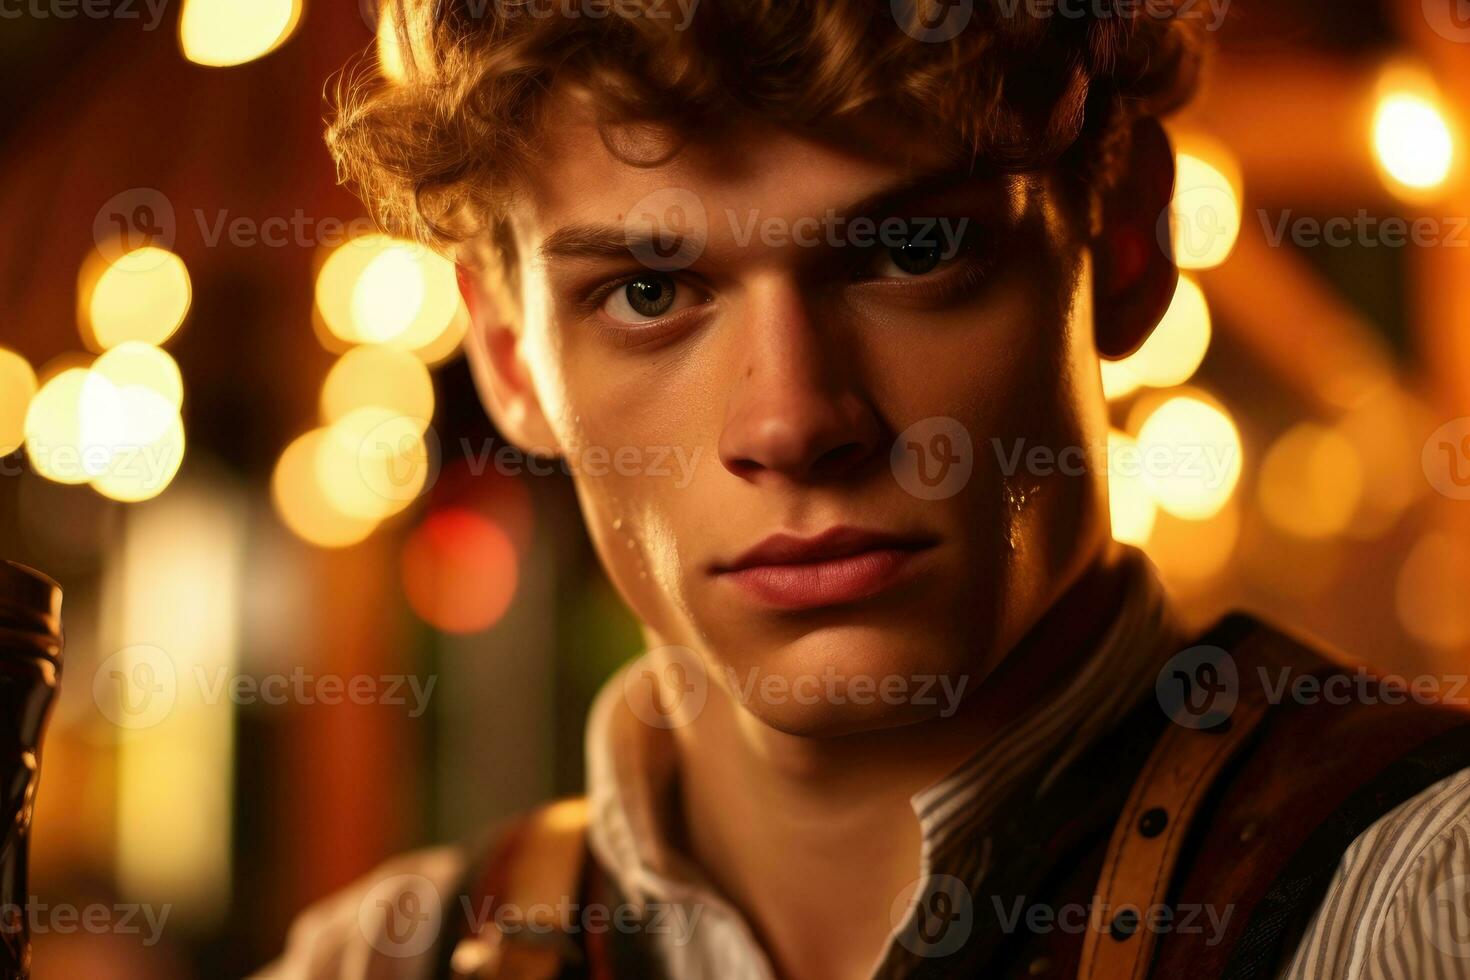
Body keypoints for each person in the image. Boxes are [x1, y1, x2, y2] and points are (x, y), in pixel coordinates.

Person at [260, 2, 1470, 977]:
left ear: (1127, 241)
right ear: (512, 356)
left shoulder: (1433, 900)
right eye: (646, 291)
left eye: (912, 250)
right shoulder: (368, 961)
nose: (792, 419)